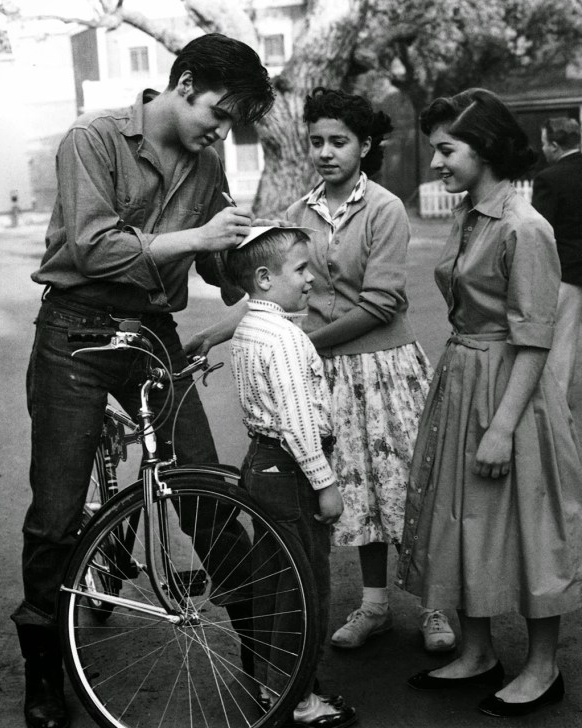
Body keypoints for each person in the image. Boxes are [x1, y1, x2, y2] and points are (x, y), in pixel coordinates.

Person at [12, 33, 274, 728]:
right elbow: (92, 247)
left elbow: (219, 269)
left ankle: (263, 656)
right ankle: (44, 672)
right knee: (58, 508)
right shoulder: (92, 139)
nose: (222, 130)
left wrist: (257, 250)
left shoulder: (206, 159)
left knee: (203, 483)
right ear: (185, 83)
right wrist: (197, 239)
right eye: (219, 111)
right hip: (75, 330)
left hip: (150, 329)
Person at [398, 88, 582, 718]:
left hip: (511, 393)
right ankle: (476, 653)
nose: (437, 163)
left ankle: (542, 667)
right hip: (462, 379)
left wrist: (502, 428)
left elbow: (535, 336)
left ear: (485, 148)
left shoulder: (525, 227)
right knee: (460, 520)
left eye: (447, 150)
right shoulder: (472, 214)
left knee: (529, 528)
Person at [284, 87, 456, 653]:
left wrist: (310, 343)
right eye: (317, 142)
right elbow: (280, 289)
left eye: (340, 141)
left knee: (407, 488)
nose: (326, 152)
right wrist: (220, 329)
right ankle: (375, 605)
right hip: (330, 376)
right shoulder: (298, 213)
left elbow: (381, 303)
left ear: (364, 146)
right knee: (357, 491)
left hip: (385, 368)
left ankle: (434, 606)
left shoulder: (384, 207)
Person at [225, 224, 357, 728]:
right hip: (292, 470)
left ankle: (271, 680)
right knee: (306, 589)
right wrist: (324, 483)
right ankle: (297, 700)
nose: (310, 278)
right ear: (263, 278)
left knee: (276, 583)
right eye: (300, 269)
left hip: (264, 464)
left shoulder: (250, 329)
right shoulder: (283, 338)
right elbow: (298, 421)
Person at [532, 117, 582, 403]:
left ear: (553, 145)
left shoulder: (549, 179)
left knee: (562, 342)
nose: (542, 149)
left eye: (543, 143)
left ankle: (557, 404)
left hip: (567, 270)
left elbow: (541, 230)